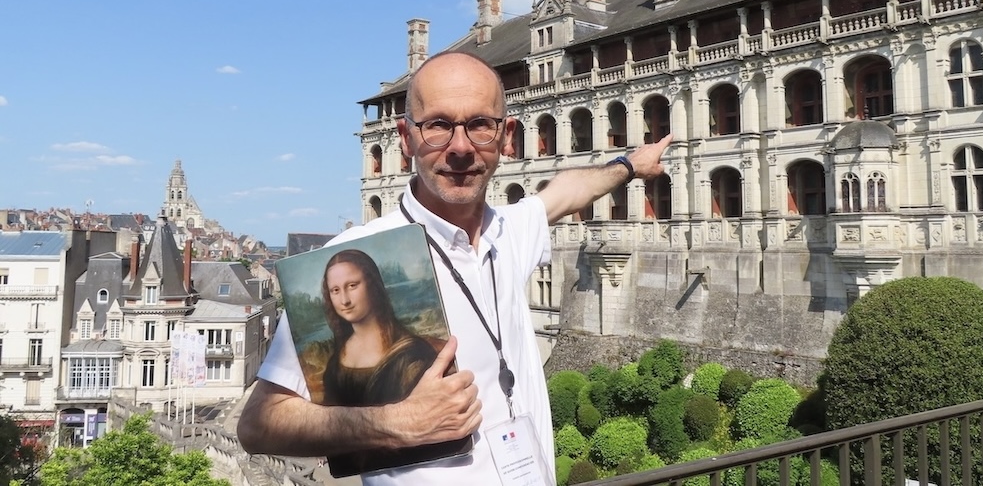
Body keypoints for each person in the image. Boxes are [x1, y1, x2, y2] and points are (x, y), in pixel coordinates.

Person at [237, 51, 672, 486]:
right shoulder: (347, 257)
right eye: (439, 125)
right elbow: (259, 424)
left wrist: (631, 165)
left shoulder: (508, 230)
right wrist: (393, 423)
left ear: (506, 138)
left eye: (480, 124)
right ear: (406, 138)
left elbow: (566, 191)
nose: (460, 147)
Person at [320, 249, 439, 409]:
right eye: (335, 290)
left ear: (372, 285)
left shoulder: (411, 356)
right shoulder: (337, 358)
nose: (344, 300)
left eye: (352, 286)